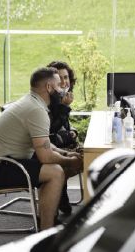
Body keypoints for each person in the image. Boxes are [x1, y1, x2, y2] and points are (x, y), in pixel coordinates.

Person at [0, 67, 82, 231]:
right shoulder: (36, 110)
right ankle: (46, 232)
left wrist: (66, 154)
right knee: (55, 171)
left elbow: (44, 144)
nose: (64, 89)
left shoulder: (32, 102)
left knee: (59, 166)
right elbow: (46, 157)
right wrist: (71, 160)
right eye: (59, 85)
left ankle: (47, 219)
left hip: (4, 162)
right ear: (49, 87)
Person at [47, 61, 79, 215]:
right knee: (78, 158)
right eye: (59, 78)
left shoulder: (61, 97)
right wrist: (64, 108)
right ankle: (58, 198)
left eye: (66, 77)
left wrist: (72, 131)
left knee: (82, 154)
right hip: (44, 147)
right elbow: (49, 130)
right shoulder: (48, 100)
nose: (64, 82)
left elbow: (63, 125)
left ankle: (61, 197)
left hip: (56, 144)